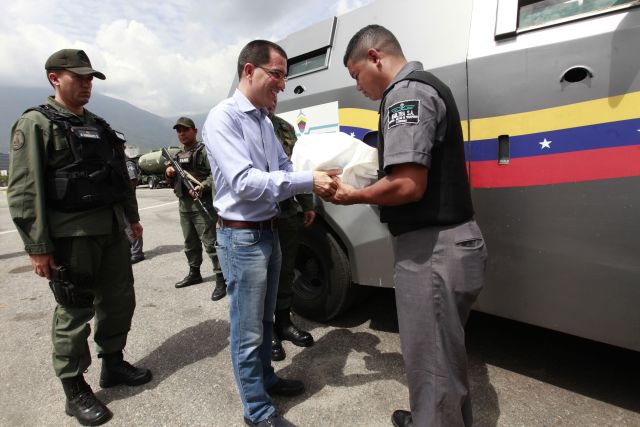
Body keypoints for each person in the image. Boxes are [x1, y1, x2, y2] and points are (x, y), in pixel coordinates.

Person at [331, 25, 488, 427]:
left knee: (431, 361)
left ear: (375, 57)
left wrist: (352, 195)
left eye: (356, 75)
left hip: (432, 251)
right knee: (441, 358)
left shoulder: (405, 94)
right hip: (446, 246)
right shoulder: (426, 86)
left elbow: (406, 184)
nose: (358, 87)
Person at [6, 49, 151, 426]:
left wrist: (132, 219)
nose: (87, 84)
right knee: (74, 309)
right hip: (71, 237)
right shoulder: (36, 124)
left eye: (90, 79)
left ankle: (113, 363)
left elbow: (120, 176)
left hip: (111, 230)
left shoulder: (99, 126)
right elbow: (25, 190)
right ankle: (74, 388)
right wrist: (38, 247)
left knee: (119, 301)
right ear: (55, 78)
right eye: (79, 77)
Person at [202, 39, 338, 427]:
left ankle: (266, 381)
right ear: (249, 70)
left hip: (269, 232)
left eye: (284, 77)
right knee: (246, 330)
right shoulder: (223, 118)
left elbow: (282, 165)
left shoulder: (263, 120)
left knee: (265, 321)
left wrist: (317, 178)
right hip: (242, 237)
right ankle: (257, 412)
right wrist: (307, 181)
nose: (282, 84)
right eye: (277, 75)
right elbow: (245, 183)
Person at [268, 104, 316, 362]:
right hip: (260, 213)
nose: (272, 99)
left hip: (287, 211)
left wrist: (307, 203)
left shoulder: (285, 127)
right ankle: (268, 333)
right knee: (263, 275)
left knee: (286, 270)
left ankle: (284, 323)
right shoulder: (244, 125)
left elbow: (294, 167)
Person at [165, 117, 226, 301]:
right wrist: (168, 173)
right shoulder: (176, 156)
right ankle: (194, 272)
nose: (181, 134)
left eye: (185, 130)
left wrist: (203, 186)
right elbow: (172, 181)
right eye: (179, 131)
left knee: (210, 243)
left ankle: (221, 278)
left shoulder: (204, 151)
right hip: (184, 204)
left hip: (202, 203)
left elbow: (216, 174)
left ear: (195, 131)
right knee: (190, 242)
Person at [125, 152, 145, 263]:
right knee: (125, 226)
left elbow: (133, 181)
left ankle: (137, 253)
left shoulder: (128, 163)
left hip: (128, 200)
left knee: (132, 225)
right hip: (122, 200)